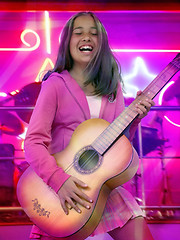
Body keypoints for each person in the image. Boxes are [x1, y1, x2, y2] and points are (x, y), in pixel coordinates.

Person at [24, 11, 155, 240]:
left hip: (101, 188)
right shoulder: (54, 85)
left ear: (101, 43)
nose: (87, 37)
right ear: (67, 42)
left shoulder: (111, 87)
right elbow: (33, 142)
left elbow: (117, 149)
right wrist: (59, 181)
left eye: (94, 34)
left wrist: (134, 120)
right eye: (79, 32)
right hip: (61, 190)